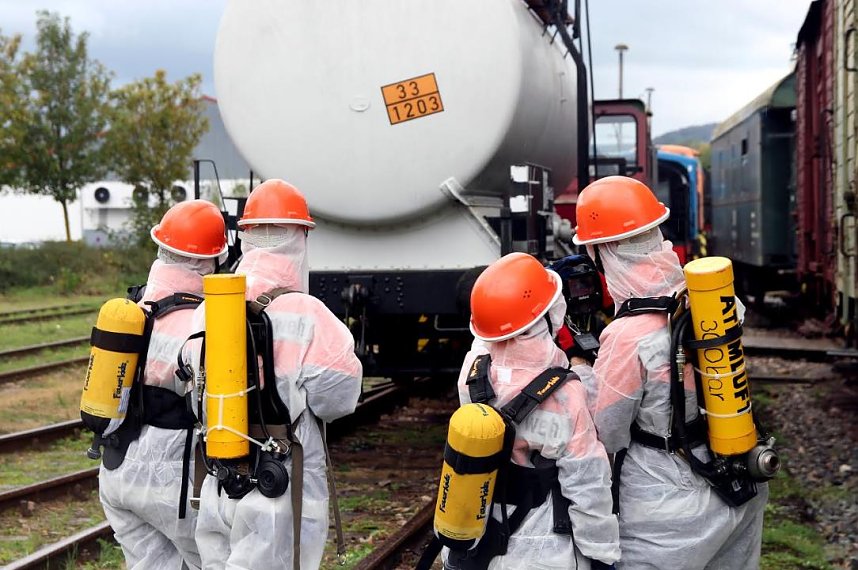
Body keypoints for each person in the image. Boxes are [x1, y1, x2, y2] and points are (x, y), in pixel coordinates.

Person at [572, 175, 768, 570]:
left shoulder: (627, 335)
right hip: (738, 479)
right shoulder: (710, 298)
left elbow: (607, 432)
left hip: (668, 507)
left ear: (601, 251)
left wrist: (583, 377)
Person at [189, 179, 363, 570]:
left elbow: (186, 377)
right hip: (279, 482)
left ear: (245, 235)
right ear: (301, 237)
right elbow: (340, 398)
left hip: (219, 476)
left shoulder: (210, 308)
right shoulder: (308, 314)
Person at [444, 252, 620, 570]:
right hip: (543, 548)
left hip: (482, 537)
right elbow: (586, 479)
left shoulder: (473, 371)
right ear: (549, 312)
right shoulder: (566, 391)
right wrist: (602, 552)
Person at [98, 199, 229, 570]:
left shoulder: (133, 309)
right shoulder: (202, 324)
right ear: (212, 260)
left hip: (117, 473)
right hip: (176, 483)